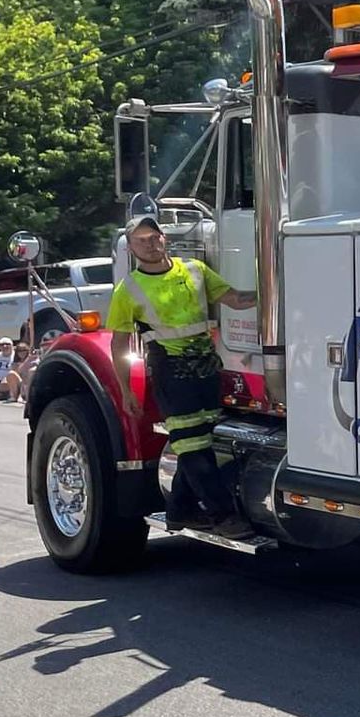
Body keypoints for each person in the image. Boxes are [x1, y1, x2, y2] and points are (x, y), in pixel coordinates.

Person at [106, 210, 256, 538]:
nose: (149, 244)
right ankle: (223, 516)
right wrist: (126, 391)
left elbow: (233, 299)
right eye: (140, 241)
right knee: (193, 447)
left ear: (165, 238)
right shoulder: (128, 289)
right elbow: (118, 344)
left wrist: (271, 292)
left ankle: (179, 511)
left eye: (153, 237)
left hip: (205, 367)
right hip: (170, 373)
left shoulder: (195, 270)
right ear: (130, 248)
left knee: (200, 442)